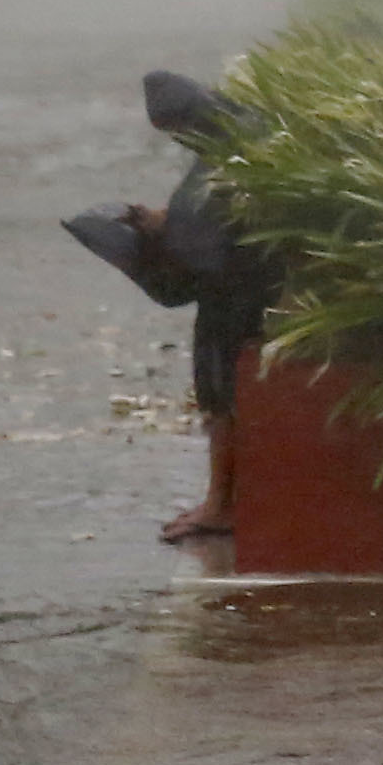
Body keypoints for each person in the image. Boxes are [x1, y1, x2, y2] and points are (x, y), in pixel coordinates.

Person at [62, 70, 281, 544]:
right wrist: (161, 221)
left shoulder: (234, 153)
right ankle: (224, 499)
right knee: (220, 396)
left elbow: (207, 238)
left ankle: (223, 505)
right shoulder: (241, 138)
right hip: (244, 288)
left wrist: (158, 233)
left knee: (220, 396)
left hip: (238, 296)